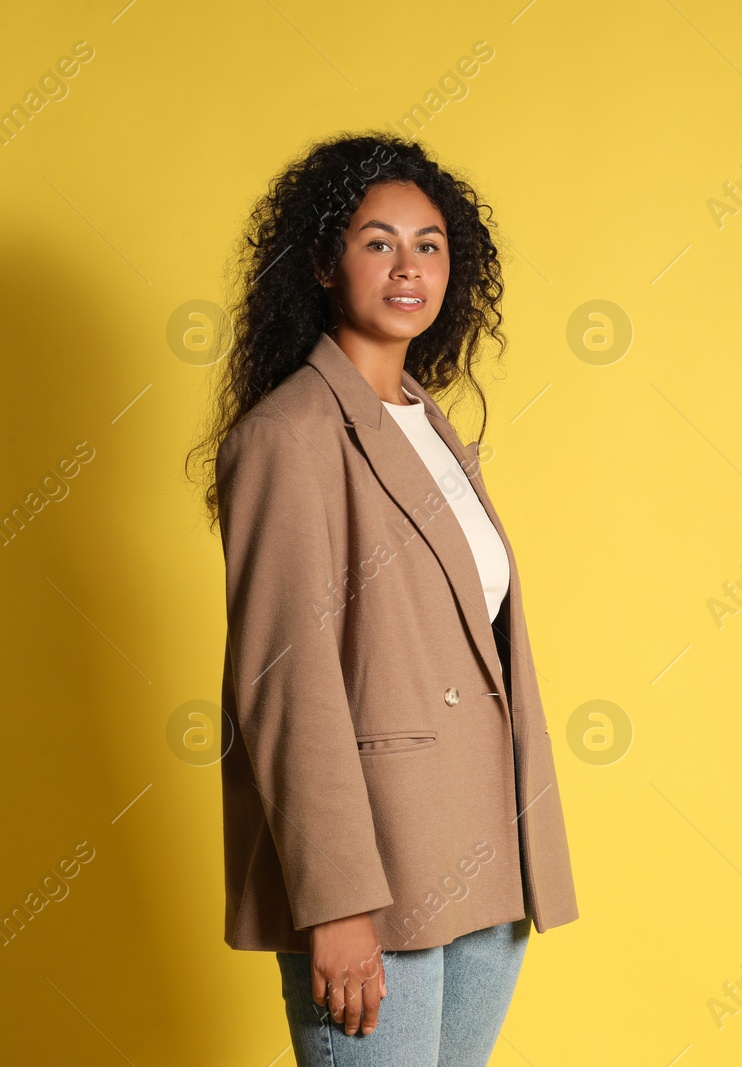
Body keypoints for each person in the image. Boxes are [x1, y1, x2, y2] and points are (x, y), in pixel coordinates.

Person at [188, 132, 579, 1066]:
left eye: (431, 243)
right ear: (324, 262)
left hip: (487, 845)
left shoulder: (427, 420)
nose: (410, 267)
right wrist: (333, 905)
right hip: (377, 867)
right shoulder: (288, 436)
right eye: (378, 241)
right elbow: (286, 684)